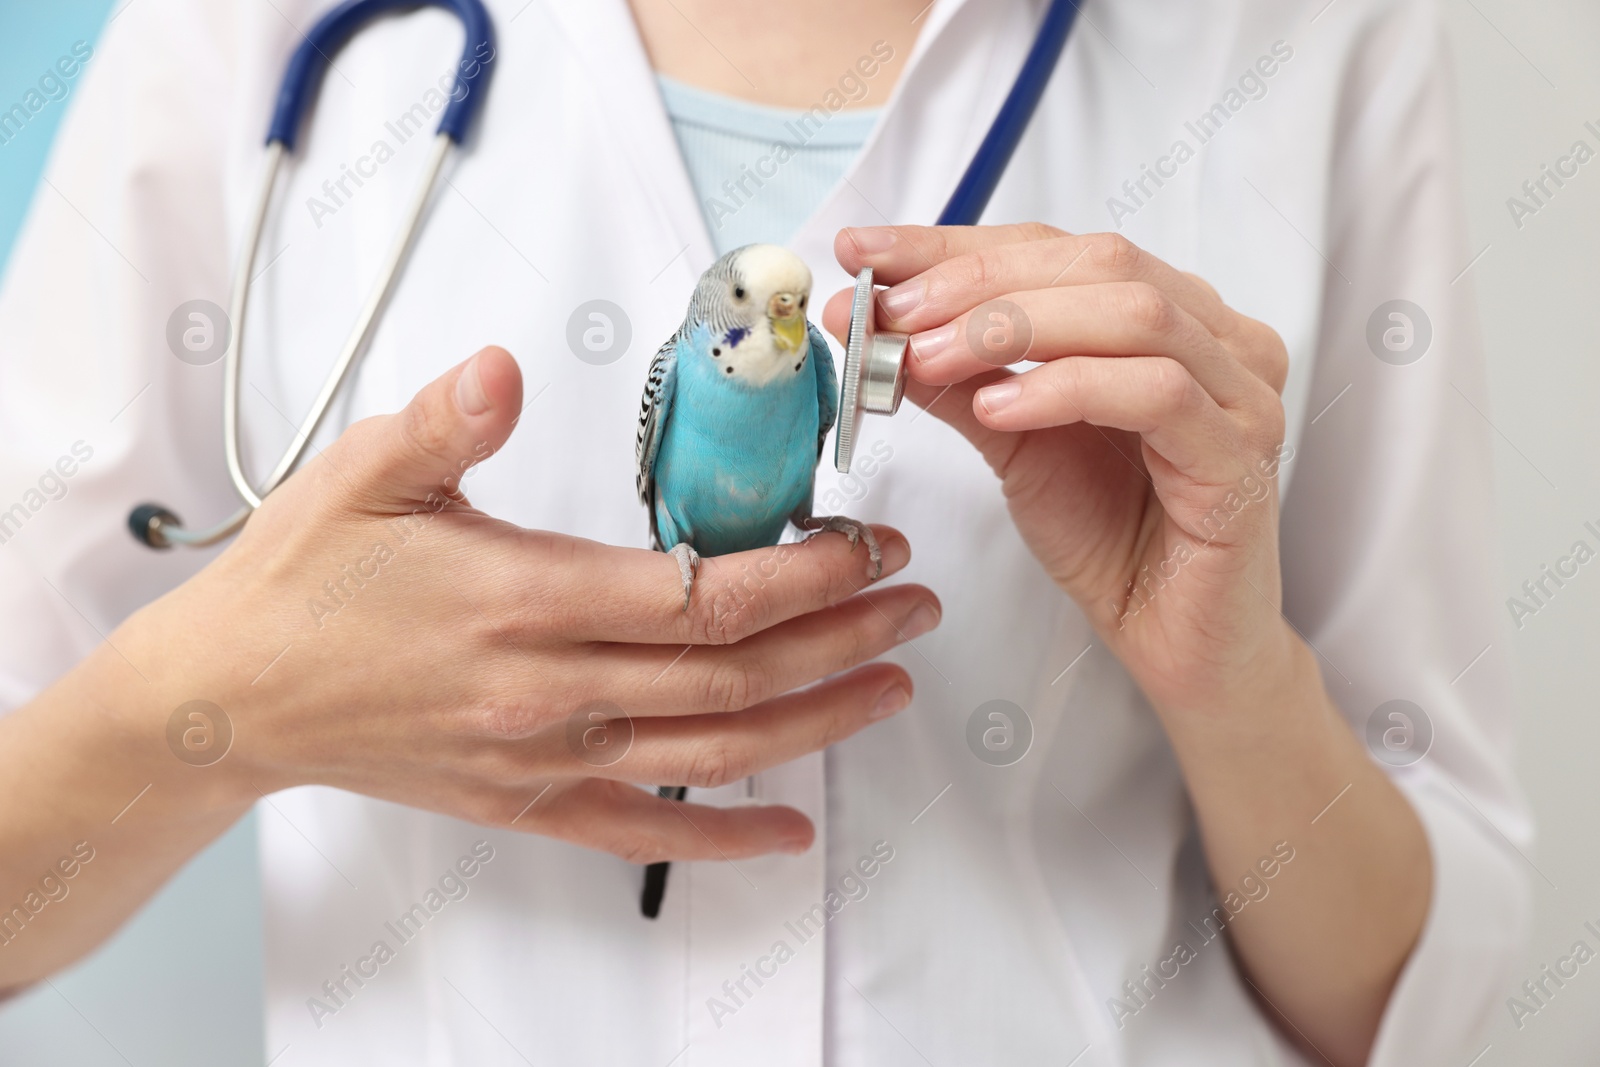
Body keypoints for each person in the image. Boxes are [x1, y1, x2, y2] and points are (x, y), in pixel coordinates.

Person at [0, 0, 1528, 1064]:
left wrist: (1230, 677)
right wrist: (224, 710)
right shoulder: (247, 31)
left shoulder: (1315, 38)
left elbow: (1406, 1008)